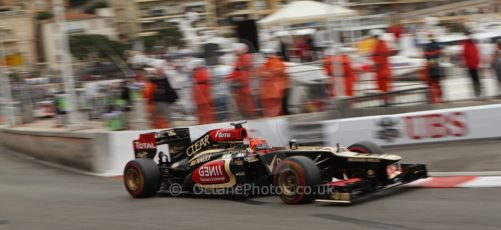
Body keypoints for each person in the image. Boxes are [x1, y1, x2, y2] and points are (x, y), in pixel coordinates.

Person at [226, 43, 256, 118]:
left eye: (236, 50)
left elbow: (244, 72)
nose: (235, 52)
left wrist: (235, 79)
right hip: (240, 85)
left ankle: (249, 116)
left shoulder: (245, 58)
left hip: (243, 85)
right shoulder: (240, 59)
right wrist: (229, 78)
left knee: (247, 103)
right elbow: (236, 71)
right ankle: (246, 116)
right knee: (241, 104)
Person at [258, 49, 289, 117]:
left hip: (272, 93)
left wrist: (266, 74)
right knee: (277, 112)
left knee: (272, 113)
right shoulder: (280, 64)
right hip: (277, 92)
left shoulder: (268, 65)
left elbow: (263, 74)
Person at [192, 60, 216, 124]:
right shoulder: (202, 72)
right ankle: (205, 122)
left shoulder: (202, 72)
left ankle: (206, 122)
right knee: (204, 112)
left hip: (203, 97)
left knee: (205, 112)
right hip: (202, 97)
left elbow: (207, 82)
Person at [372, 32, 393, 104]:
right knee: (382, 88)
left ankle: (386, 102)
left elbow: (381, 56)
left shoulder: (381, 45)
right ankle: (385, 101)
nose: (374, 39)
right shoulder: (379, 45)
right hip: (381, 71)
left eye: (375, 37)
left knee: (384, 88)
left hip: (382, 71)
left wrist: (377, 64)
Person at [423, 33, 444, 103]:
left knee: (435, 84)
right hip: (434, 67)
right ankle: (439, 99)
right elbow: (439, 53)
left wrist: (430, 59)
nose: (430, 38)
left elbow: (426, 55)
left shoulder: (428, 46)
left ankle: (437, 99)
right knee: (437, 84)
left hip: (432, 67)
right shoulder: (436, 45)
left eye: (430, 36)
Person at [462, 32, 482, 98]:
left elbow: (477, 54)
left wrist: (478, 63)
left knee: (477, 79)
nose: (471, 37)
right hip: (471, 66)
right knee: (474, 80)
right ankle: (477, 93)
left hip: (475, 65)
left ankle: (479, 92)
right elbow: (465, 55)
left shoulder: (473, 45)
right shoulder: (466, 45)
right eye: (469, 36)